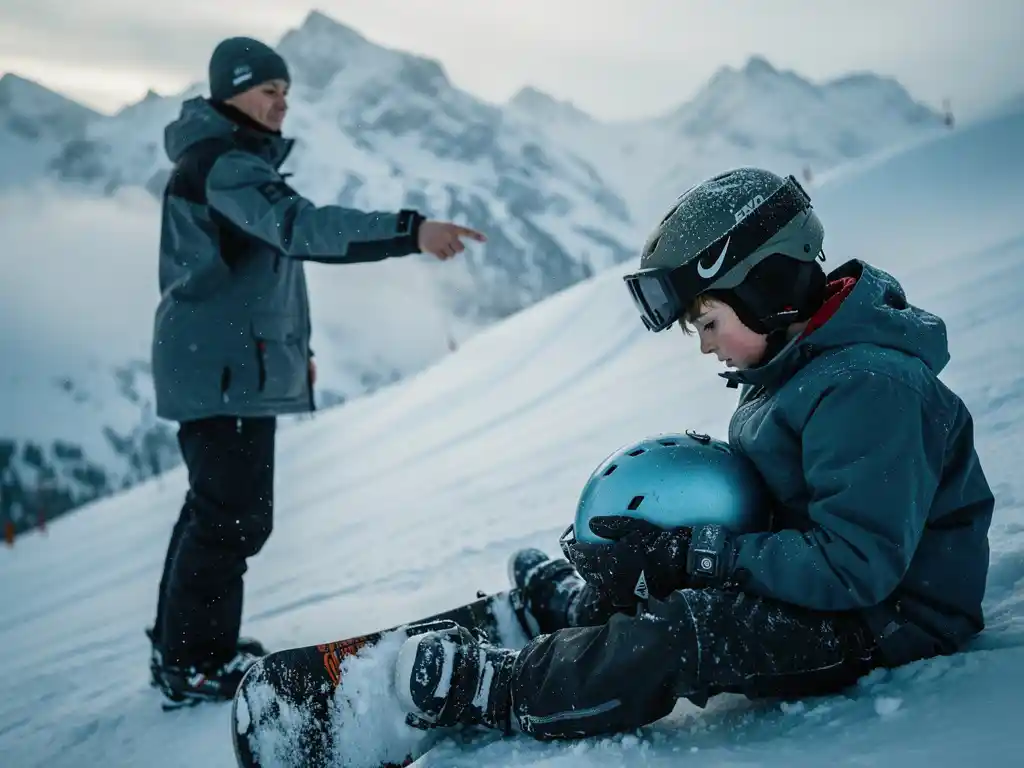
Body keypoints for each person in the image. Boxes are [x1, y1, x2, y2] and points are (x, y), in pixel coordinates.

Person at [390, 167, 994, 740]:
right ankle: (591, 609)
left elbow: (856, 565)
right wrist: (663, 549)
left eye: (708, 323)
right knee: (672, 562)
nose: (706, 348)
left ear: (765, 290)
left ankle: (513, 689)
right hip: (828, 586)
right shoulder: (798, 363)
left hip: (889, 620)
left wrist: (702, 555)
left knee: (691, 629)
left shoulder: (868, 386)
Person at [148, 35, 486, 707]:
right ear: (231, 92)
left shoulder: (226, 160)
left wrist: (287, 345)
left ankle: (184, 650)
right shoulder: (224, 164)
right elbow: (300, 230)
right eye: (268, 90)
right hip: (218, 370)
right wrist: (409, 231)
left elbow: (259, 269)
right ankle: (191, 659)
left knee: (221, 513)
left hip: (224, 364)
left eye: (286, 93)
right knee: (231, 517)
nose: (281, 104)